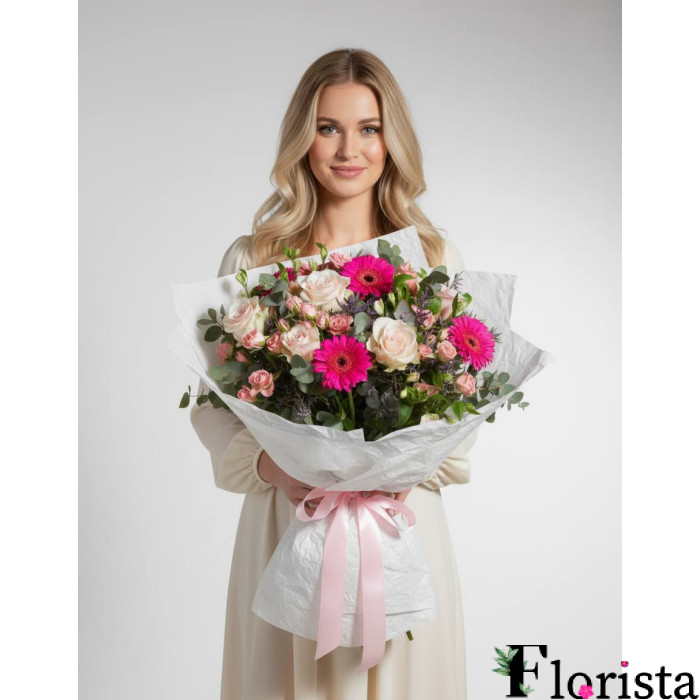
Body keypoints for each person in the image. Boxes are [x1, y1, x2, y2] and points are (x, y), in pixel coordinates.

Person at [190, 48, 479, 700]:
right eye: (328, 128)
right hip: (288, 521)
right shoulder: (253, 260)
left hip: (399, 523)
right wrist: (274, 467)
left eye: (368, 128)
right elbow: (212, 404)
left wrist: (401, 468)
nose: (349, 149)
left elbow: (462, 405)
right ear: (303, 138)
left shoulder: (433, 258)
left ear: (391, 140)